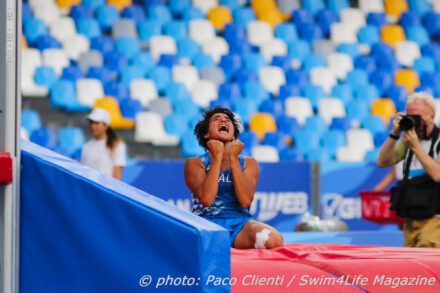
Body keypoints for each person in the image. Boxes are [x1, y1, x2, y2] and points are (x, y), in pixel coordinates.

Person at [184, 107, 284, 249]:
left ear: (233, 135)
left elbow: (245, 201)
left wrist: (233, 158)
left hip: (240, 226)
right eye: (216, 119)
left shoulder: (249, 163)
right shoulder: (195, 163)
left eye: (227, 120)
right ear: (206, 134)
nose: (224, 120)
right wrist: (217, 157)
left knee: (272, 239)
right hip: (206, 224)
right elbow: (206, 199)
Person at [376, 92, 440, 248]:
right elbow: (382, 162)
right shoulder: (408, 139)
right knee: (413, 267)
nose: (414, 122)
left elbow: (437, 175)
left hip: (435, 220)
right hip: (411, 219)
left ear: (432, 116)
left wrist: (416, 147)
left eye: (417, 117)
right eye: (409, 116)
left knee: (427, 264)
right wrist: (395, 134)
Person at [81, 108, 126, 179]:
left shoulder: (118, 145)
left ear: (106, 125)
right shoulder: (86, 146)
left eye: (96, 123)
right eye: (91, 122)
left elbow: (117, 177)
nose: (92, 126)